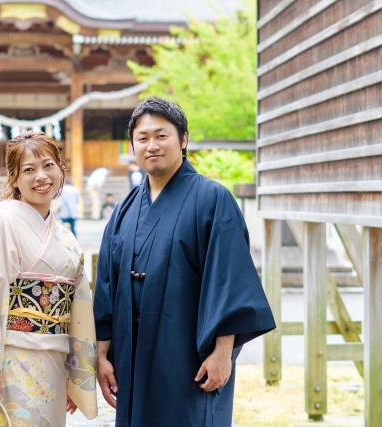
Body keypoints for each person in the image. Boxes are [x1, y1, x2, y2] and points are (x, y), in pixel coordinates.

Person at [93, 97, 276, 427]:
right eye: (143, 137)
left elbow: (230, 278)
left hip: (187, 350)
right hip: (131, 349)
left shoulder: (212, 198)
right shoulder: (123, 211)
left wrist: (223, 352)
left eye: (162, 135)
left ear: (184, 140)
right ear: (133, 144)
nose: (152, 145)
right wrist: (102, 354)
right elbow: (106, 282)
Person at [0, 131, 97, 427]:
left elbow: (79, 309)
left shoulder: (66, 238)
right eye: (28, 170)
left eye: (48, 166)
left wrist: (75, 373)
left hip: (55, 362)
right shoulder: (0, 224)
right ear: (14, 179)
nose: (41, 177)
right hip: (10, 361)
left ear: (61, 170)